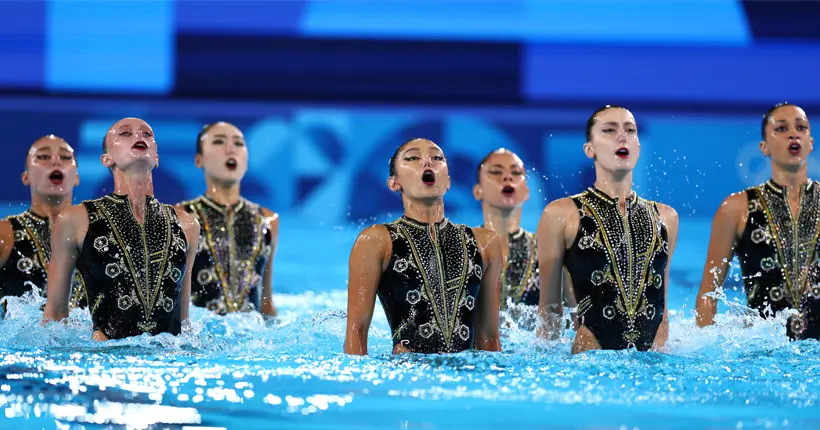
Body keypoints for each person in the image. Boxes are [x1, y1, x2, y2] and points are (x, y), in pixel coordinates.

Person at [536, 106, 679, 353]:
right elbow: (549, 309)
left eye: (630, 130)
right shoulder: (561, 214)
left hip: (653, 369)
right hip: (590, 366)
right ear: (589, 149)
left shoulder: (666, 217)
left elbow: (662, 311)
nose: (622, 136)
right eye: (609, 130)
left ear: (638, 146)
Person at [42, 118, 200, 340]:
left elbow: (183, 321)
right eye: (125, 134)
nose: (139, 136)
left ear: (156, 158)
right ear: (106, 159)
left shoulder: (188, 224)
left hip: (168, 361)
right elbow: (55, 315)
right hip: (107, 359)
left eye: (147, 134)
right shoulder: (75, 220)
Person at [344, 138, 503, 355]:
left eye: (437, 158)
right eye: (412, 158)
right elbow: (356, 331)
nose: (427, 163)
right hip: (408, 375)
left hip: (466, 377)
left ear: (448, 181)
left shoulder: (486, 243)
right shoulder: (376, 241)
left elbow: (490, 338)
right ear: (394, 183)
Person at [696, 103, 819, 340]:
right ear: (764, 147)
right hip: (764, 356)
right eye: (781, 129)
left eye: (801, 127)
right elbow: (708, 294)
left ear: (810, 143)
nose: (793, 133)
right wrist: (706, 349)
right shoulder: (736, 208)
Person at [176, 122, 279, 317]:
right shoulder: (180, 217)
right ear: (199, 160)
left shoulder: (268, 220)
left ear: (246, 161)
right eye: (218, 142)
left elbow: (266, 302)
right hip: (200, 340)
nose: (230, 148)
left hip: (253, 339)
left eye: (238, 143)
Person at [473, 149, 578, 324]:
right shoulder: (462, 247)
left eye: (516, 172)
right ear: (478, 191)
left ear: (527, 192)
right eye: (496, 171)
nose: (507, 177)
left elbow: (577, 322)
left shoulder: (549, 250)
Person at [0, 136, 85, 308]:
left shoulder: (99, 234)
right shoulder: (5, 234)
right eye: (44, 157)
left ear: (76, 178)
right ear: (26, 177)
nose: (56, 162)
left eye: (65, 157)